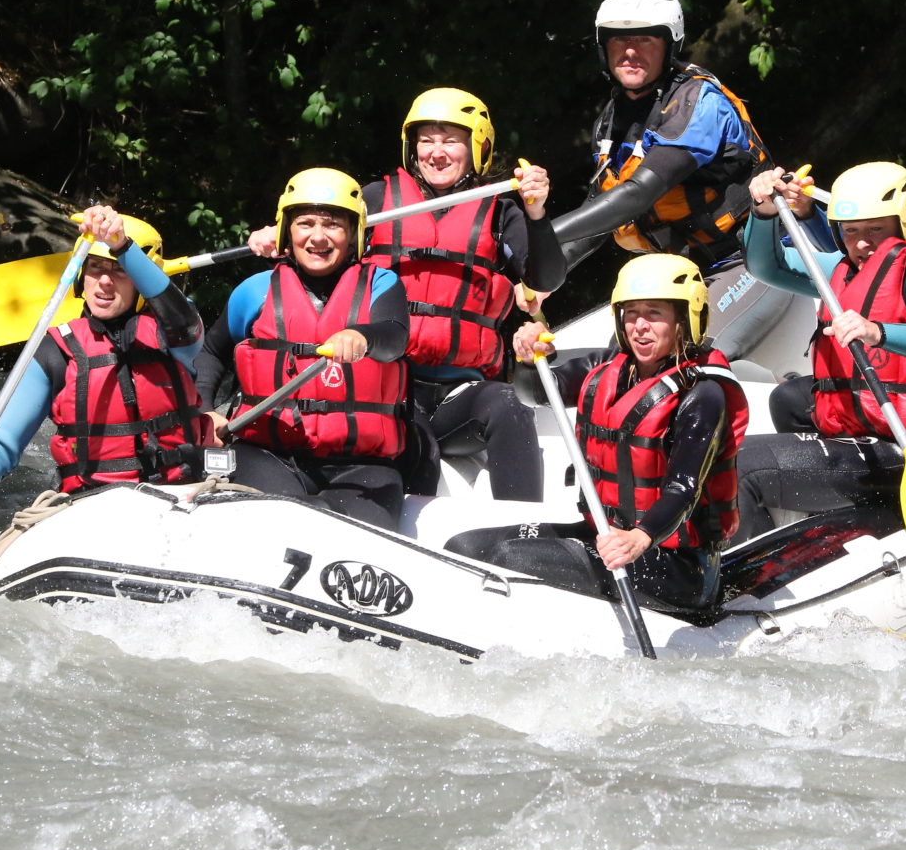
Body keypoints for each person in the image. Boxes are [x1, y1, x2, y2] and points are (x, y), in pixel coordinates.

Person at [246, 87, 564, 502]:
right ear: (410, 146)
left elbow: (547, 276)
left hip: (460, 391)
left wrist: (536, 214)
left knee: (509, 404)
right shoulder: (374, 202)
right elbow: (319, 230)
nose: (436, 152)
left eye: (451, 140)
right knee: (415, 442)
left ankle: (525, 535)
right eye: (426, 140)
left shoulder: (501, 212)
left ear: (477, 147)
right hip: (384, 384)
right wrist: (279, 232)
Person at [445, 255, 749, 615]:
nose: (639, 326)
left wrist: (639, 538)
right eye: (631, 313)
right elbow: (537, 393)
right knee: (463, 547)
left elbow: (683, 489)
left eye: (654, 314)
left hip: (677, 565)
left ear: (685, 319)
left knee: (509, 556)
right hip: (604, 537)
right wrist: (531, 360)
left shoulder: (703, 394)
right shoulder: (606, 367)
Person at [733, 162, 906, 542]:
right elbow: (765, 266)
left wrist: (877, 331)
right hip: (868, 422)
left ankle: (757, 576)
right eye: (851, 231)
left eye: (876, 229)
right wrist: (763, 212)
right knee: (788, 399)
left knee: (743, 465)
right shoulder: (843, 268)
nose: (861, 243)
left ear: (905, 222)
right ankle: (843, 503)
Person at [0, 207, 210, 498]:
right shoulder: (55, 350)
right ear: (80, 274)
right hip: (93, 500)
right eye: (95, 267)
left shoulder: (172, 335)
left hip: (181, 491)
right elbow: (4, 445)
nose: (105, 280)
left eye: (119, 270)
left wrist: (122, 246)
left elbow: (184, 323)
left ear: (141, 280)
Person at [194, 168, 411, 530]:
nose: (318, 237)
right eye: (305, 223)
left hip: (361, 467)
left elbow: (395, 337)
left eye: (333, 225)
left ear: (354, 232)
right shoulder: (255, 289)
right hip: (268, 455)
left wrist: (363, 337)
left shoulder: (383, 284)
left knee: (359, 536)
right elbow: (211, 353)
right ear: (286, 231)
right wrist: (204, 410)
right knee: (283, 522)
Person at [549, 0, 772, 273]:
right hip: (688, 270)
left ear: (670, 46)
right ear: (603, 48)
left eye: (645, 40)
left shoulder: (698, 102)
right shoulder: (609, 121)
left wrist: (542, 234)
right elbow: (599, 215)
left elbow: (637, 194)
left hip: (753, 258)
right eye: (618, 40)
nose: (629, 51)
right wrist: (542, 272)